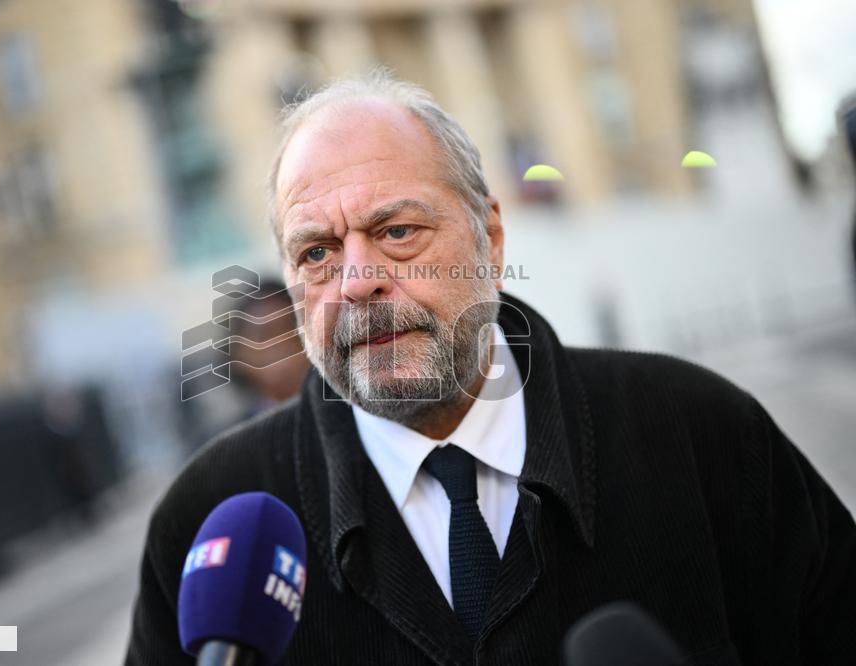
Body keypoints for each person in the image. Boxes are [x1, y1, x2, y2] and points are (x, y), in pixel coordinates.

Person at [126, 72, 855, 665]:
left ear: (490, 239)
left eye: (398, 231)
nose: (356, 281)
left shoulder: (702, 437)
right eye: (316, 252)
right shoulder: (208, 524)